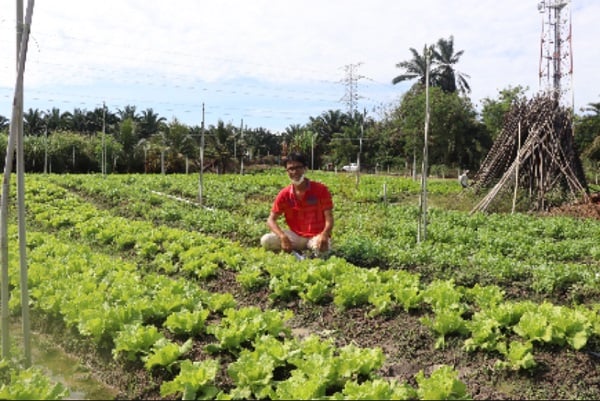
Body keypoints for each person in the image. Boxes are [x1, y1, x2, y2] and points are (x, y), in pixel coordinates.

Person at [260, 152, 334, 257]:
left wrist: (325, 234)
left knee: (322, 251)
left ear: (305, 169)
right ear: (287, 171)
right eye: (290, 169)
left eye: (298, 167)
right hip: (296, 236)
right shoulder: (284, 194)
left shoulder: (321, 190)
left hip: (317, 235)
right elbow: (271, 220)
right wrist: (282, 237)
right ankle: (297, 253)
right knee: (266, 240)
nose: (294, 172)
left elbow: (329, 218)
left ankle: (305, 253)